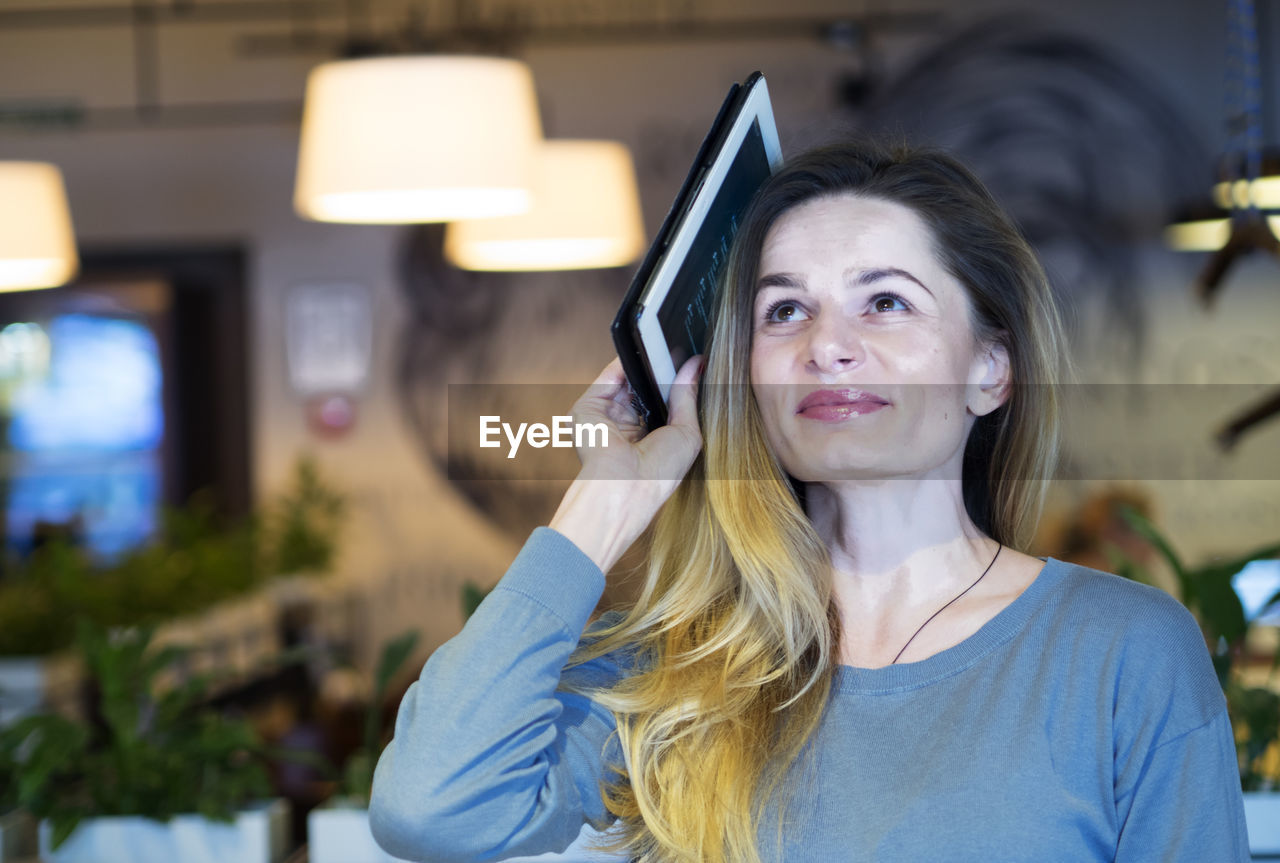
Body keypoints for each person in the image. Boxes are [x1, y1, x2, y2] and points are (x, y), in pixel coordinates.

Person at [368, 140, 1251, 862]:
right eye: (784, 312)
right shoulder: (678, 664)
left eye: (886, 302)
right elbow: (433, 808)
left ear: (990, 367)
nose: (828, 345)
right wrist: (601, 507)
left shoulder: (1121, 652)